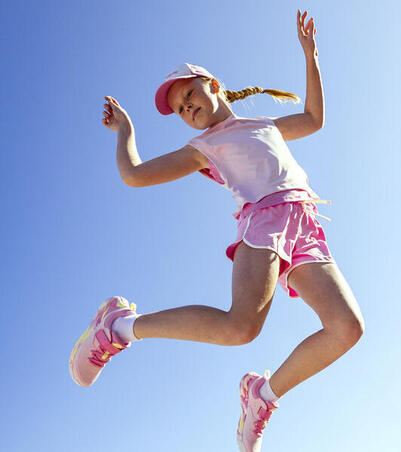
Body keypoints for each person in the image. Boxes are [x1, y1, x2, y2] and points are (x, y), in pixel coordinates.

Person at [69, 9, 365, 452]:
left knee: (346, 328)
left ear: (213, 84)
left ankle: (262, 395)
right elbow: (134, 174)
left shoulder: (264, 125)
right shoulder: (203, 147)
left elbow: (313, 118)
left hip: (304, 225)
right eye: (180, 109)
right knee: (240, 327)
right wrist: (125, 130)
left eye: (189, 94)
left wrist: (311, 57)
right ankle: (119, 327)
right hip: (264, 220)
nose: (187, 108)